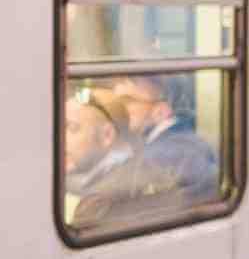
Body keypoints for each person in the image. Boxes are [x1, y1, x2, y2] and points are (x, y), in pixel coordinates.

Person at [64, 93, 175, 227]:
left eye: (72, 128)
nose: (60, 138)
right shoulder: (138, 168)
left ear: (107, 135)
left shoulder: (100, 201)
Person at [112, 75, 218, 200]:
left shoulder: (161, 157)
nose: (118, 109)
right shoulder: (187, 141)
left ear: (160, 111)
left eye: (127, 101)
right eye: (115, 103)